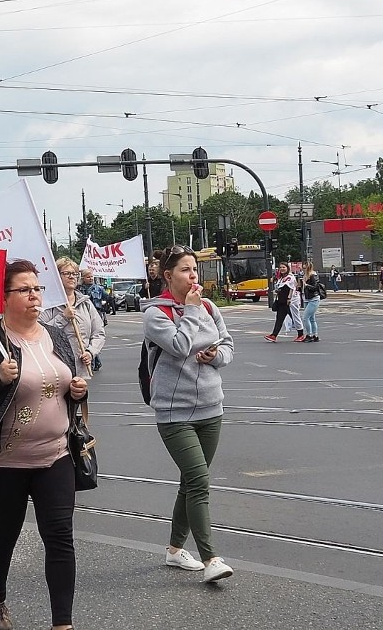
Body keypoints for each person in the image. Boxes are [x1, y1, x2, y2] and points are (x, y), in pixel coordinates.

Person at [0, 259, 88, 630]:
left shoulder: (56, 335)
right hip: (3, 462)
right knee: (5, 534)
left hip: (56, 455)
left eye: (38, 288)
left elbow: (65, 385)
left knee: (59, 535)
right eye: (25, 289)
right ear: (5, 297)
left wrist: (77, 390)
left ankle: (63, 624)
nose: (35, 296)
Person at [141, 245, 235, 583]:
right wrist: (191, 311)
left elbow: (228, 344)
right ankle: (210, 558)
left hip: (212, 408)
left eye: (194, 269)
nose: (193, 275)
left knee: (190, 481)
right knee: (198, 481)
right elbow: (179, 346)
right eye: (185, 270)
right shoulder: (155, 314)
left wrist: (216, 356)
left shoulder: (209, 306)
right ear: (168, 276)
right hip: (174, 413)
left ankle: (174, 550)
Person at [39, 257, 106, 379]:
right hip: (55, 372)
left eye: (75, 274)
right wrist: (63, 317)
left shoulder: (85, 303)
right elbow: (39, 333)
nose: (72, 277)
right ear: (57, 277)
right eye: (67, 273)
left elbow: (98, 332)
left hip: (81, 371)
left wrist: (91, 352)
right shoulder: (47, 304)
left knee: (80, 397)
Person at [77, 269, 106, 369]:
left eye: (92, 276)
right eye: (88, 277)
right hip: (84, 313)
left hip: (96, 313)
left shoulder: (99, 288)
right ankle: (94, 359)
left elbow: (108, 298)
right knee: (86, 339)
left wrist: (105, 305)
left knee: (95, 336)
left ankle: (94, 359)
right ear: (83, 278)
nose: (91, 278)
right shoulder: (78, 289)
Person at [264, 263, 294, 342]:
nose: (282, 269)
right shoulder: (280, 278)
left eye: (284, 267)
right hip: (281, 301)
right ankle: (274, 335)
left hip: (287, 301)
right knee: (279, 320)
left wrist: (289, 298)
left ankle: (302, 334)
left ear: (287, 268)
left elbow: (292, 288)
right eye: (280, 267)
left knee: (295, 318)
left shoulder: (290, 277)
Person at [301, 262, 321, 343]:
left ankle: (309, 335)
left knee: (305, 318)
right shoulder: (305, 276)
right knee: (312, 318)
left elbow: (316, 287)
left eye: (305, 268)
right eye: (303, 268)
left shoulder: (313, 275)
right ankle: (315, 335)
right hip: (307, 298)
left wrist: (306, 285)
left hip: (313, 298)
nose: (303, 269)